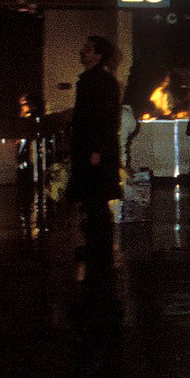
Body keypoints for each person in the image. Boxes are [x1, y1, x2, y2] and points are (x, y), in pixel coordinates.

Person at [69, 35, 121, 264]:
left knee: (94, 198)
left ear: (98, 55)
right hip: (93, 147)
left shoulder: (95, 81)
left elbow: (102, 118)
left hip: (92, 149)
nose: (82, 52)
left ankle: (96, 246)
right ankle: (97, 245)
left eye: (87, 49)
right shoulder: (102, 80)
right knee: (95, 200)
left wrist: (96, 149)